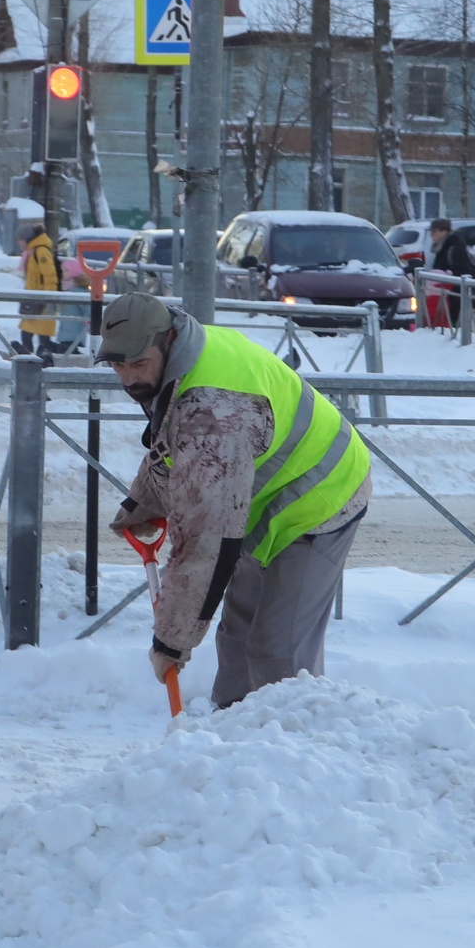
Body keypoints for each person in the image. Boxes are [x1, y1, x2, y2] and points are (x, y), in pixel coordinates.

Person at [98, 292, 370, 709]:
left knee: (278, 651)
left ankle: (297, 752)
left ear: (167, 338)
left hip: (321, 496)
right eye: (118, 365)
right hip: (260, 495)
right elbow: (173, 446)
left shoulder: (214, 411)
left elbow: (205, 542)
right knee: (238, 638)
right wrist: (143, 505)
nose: (129, 378)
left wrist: (171, 641)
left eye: (138, 364)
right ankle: (229, 745)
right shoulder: (186, 355)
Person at [18, 214, 61, 357]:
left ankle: (55, 357)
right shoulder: (31, 252)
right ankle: (29, 359)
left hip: (42, 302)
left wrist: (49, 298)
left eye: (20, 239)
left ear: (28, 239)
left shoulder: (41, 251)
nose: (19, 243)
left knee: (43, 339)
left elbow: (50, 276)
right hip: (33, 300)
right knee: (27, 334)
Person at [424, 217, 474, 327]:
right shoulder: (442, 246)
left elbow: (462, 271)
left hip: (453, 295)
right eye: (431, 231)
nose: (431, 235)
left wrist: (449, 282)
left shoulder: (454, 247)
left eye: (434, 231)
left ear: (444, 232)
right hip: (443, 293)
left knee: (452, 324)